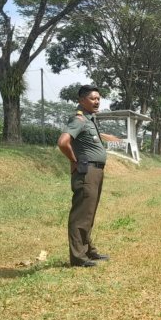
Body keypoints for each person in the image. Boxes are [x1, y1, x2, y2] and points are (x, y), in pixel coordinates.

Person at [57, 85, 110, 268]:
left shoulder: (90, 120)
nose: (97, 102)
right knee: (81, 215)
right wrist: (74, 161)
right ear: (81, 101)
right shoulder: (79, 120)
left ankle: (87, 250)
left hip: (96, 172)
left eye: (98, 98)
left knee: (89, 213)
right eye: (92, 98)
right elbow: (63, 143)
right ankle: (78, 257)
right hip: (87, 171)